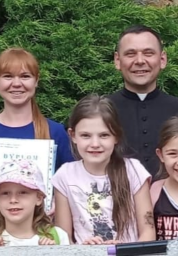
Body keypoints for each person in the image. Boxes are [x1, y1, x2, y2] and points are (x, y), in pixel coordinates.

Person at [0, 48, 73, 245]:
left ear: (36, 81)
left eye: (25, 76)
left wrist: (57, 205)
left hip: (42, 239)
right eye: (8, 76)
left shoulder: (55, 132)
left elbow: (70, 183)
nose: (17, 83)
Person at [52, 95, 155, 244]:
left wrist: (125, 250)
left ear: (116, 136)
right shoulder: (65, 175)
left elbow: (148, 232)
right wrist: (82, 250)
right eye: (85, 135)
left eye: (104, 135)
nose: (95, 144)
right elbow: (64, 238)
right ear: (72, 135)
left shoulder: (133, 170)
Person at [109, 25, 178, 177]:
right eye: (130, 54)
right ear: (117, 60)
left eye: (148, 53)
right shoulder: (103, 110)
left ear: (162, 59)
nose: (140, 61)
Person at [0, 159, 70, 246]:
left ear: (39, 198)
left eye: (22, 193)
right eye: (5, 193)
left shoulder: (57, 236)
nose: (13, 200)